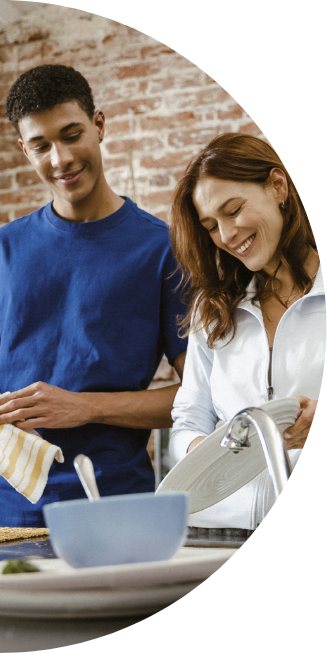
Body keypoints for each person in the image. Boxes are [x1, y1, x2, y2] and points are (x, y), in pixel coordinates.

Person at [0, 64, 186, 526]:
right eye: (41, 145)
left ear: (98, 126)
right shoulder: (5, 248)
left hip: (112, 507)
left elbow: (196, 399)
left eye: (71, 134)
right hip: (6, 516)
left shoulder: (162, 250)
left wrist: (85, 408)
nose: (60, 159)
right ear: (25, 150)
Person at [169, 132, 325, 528]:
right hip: (222, 533)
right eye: (210, 226)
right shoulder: (214, 310)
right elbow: (188, 419)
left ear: (277, 186)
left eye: (233, 210)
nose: (226, 235)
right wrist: (202, 452)